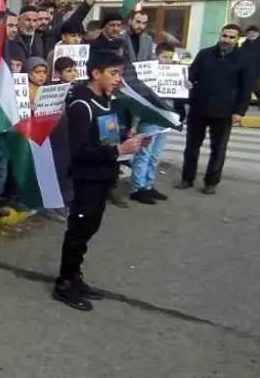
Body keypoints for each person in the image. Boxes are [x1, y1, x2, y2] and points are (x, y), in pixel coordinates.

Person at [54, 49, 146, 311]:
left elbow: (107, 136)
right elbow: (80, 150)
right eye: (113, 73)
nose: (119, 79)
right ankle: (64, 283)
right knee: (78, 230)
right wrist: (119, 151)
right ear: (95, 73)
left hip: (104, 176)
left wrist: (127, 139)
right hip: (87, 179)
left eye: (120, 73)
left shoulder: (108, 100)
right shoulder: (81, 105)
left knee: (89, 229)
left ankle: (75, 276)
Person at [178, 24, 254, 195]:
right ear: (220, 35)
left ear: (237, 39)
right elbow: (190, 76)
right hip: (199, 107)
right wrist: (186, 93)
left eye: (231, 37)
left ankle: (211, 182)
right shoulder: (205, 54)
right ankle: (187, 178)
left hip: (224, 111)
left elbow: (246, 89)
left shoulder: (243, 59)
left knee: (218, 148)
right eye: (224, 36)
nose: (226, 40)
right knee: (191, 146)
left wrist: (239, 112)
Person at [128, 42, 179, 205]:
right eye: (164, 57)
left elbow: (178, 96)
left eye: (170, 58)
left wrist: (183, 86)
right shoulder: (147, 74)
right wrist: (134, 124)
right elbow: (139, 100)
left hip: (165, 118)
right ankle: (137, 188)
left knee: (155, 155)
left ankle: (148, 185)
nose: (167, 60)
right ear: (156, 56)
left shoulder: (174, 74)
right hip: (149, 119)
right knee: (144, 154)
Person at [238, 25, 260, 110]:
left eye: (253, 33)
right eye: (249, 33)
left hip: (258, 69)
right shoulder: (245, 43)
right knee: (246, 87)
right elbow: (241, 54)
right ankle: (245, 104)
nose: (251, 35)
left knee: (254, 86)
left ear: (257, 33)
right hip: (246, 68)